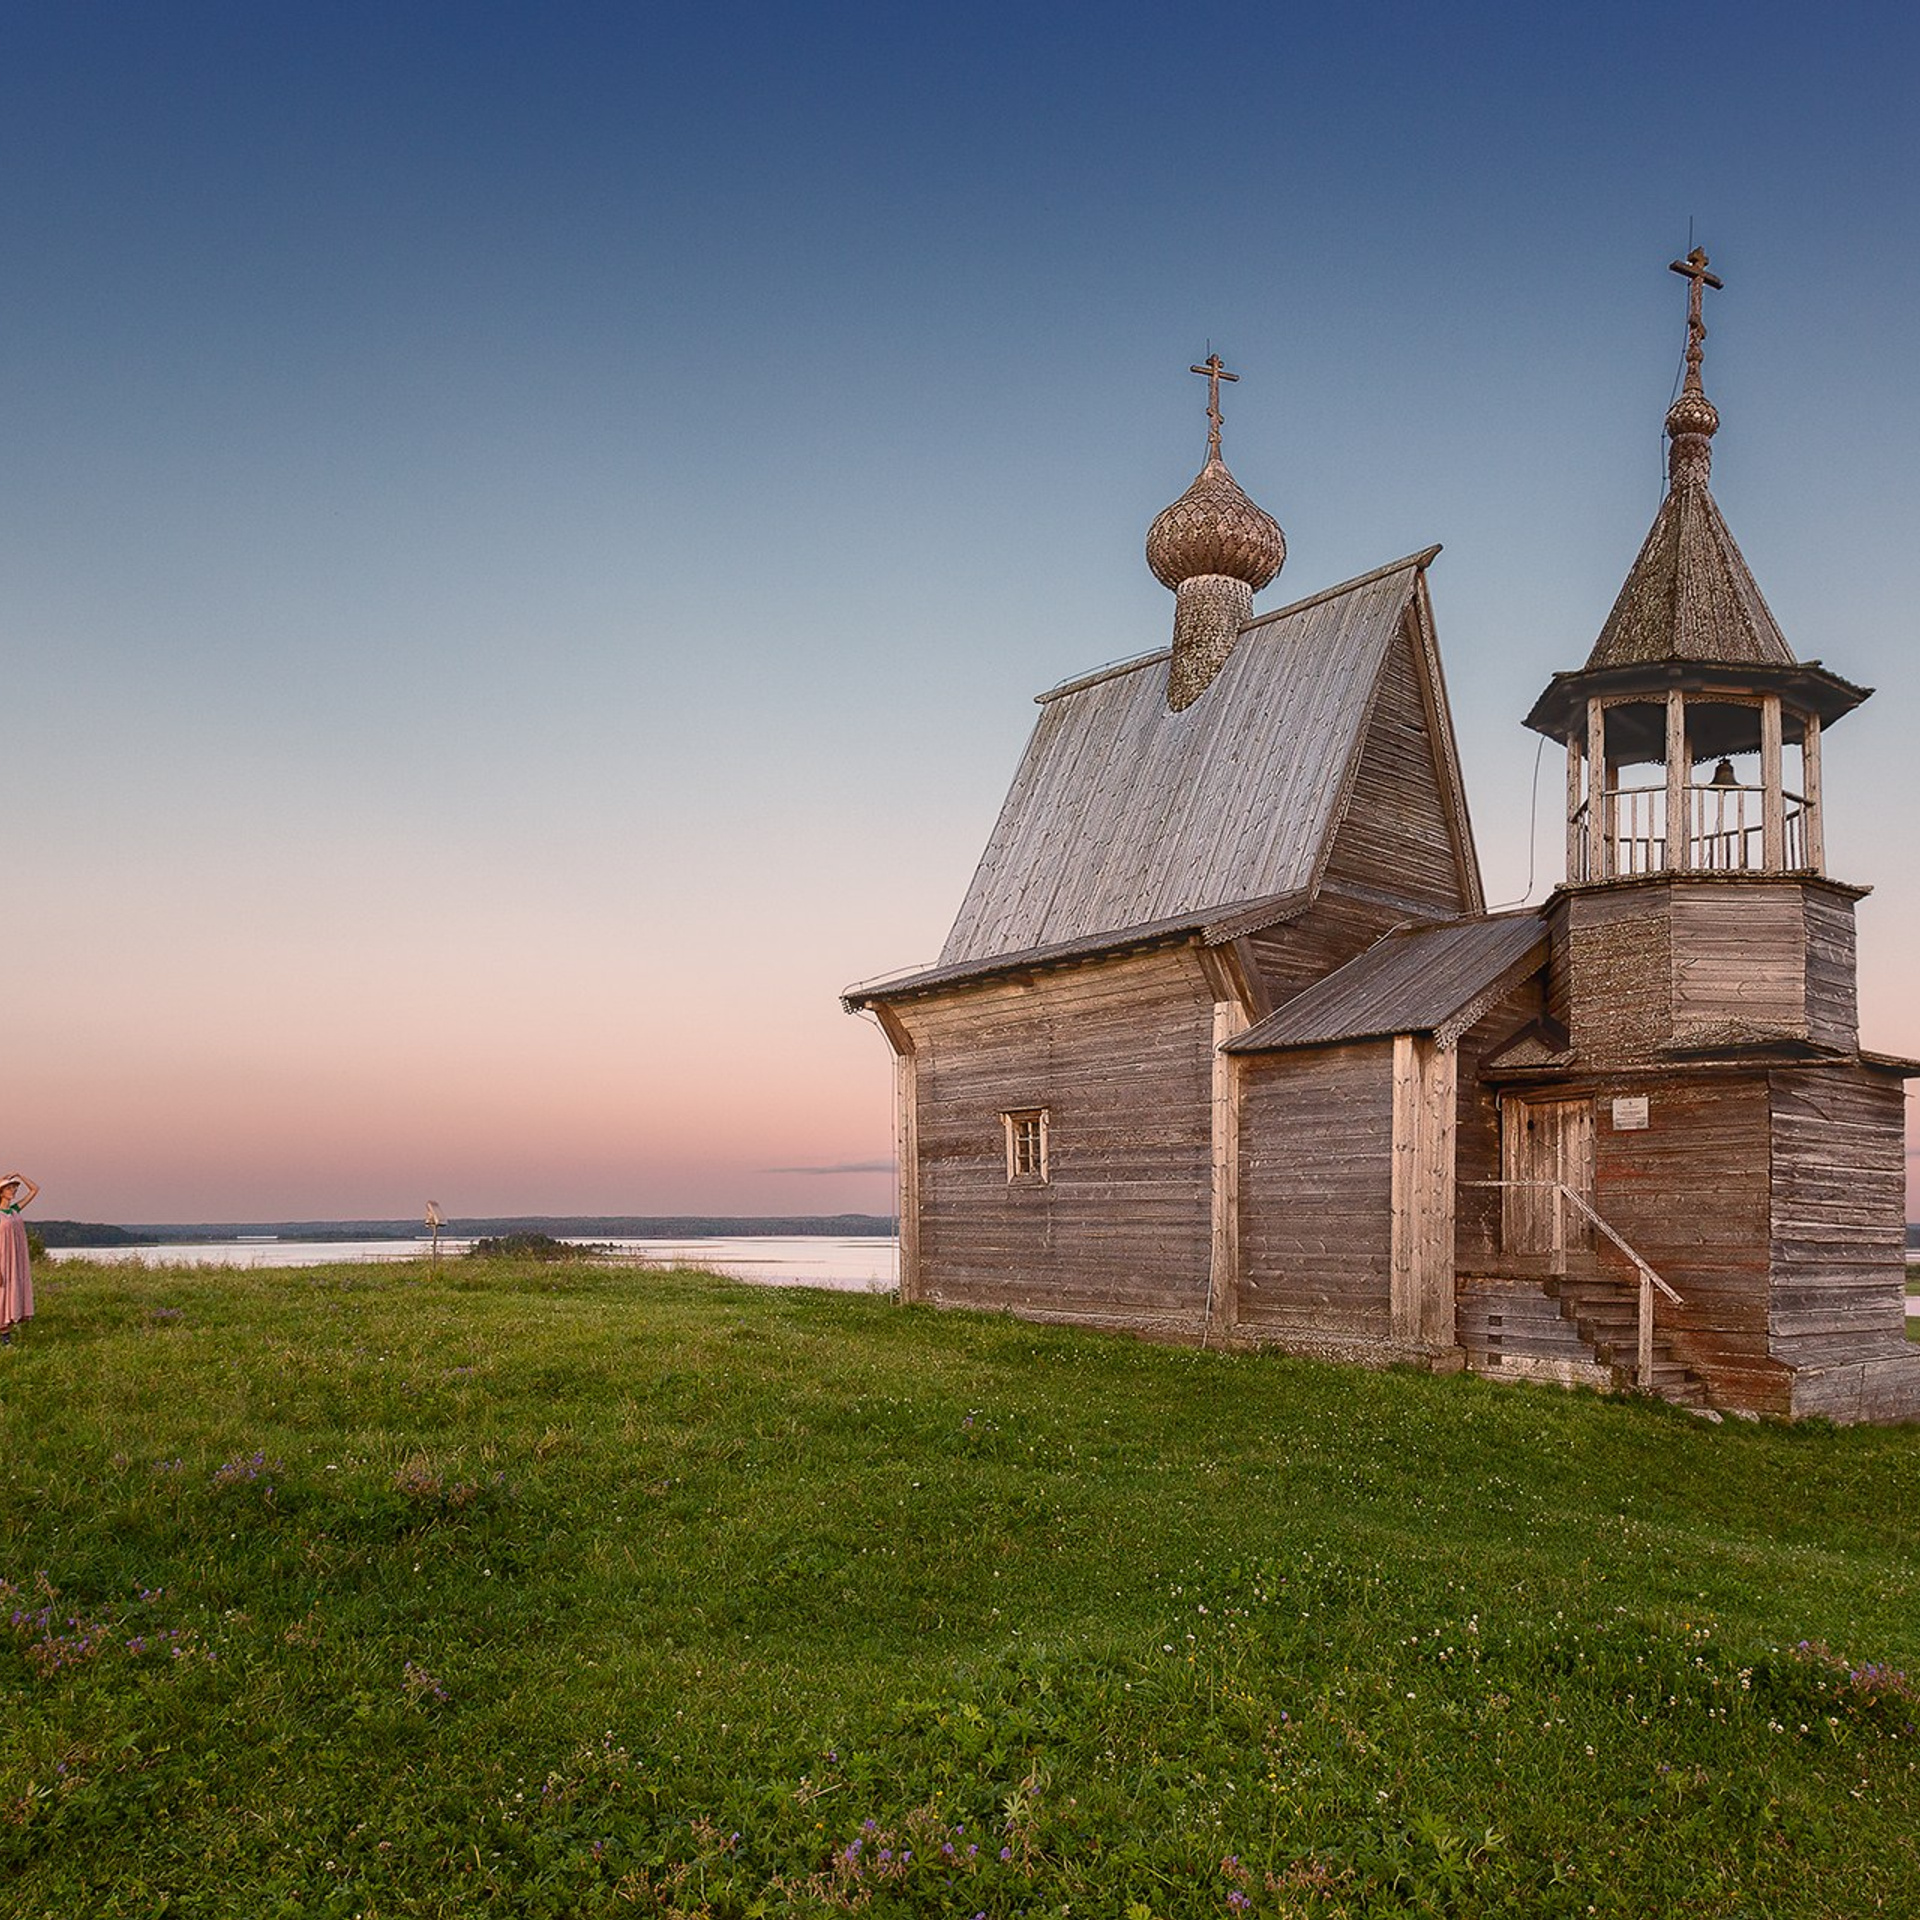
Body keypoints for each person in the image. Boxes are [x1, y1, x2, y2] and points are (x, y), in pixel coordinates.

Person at [0, 1173, 39, 1343]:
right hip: (2, 1259)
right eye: (9, 1188)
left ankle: (5, 1336)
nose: (14, 1190)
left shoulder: (14, 1210)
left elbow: (34, 1189)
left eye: (14, 1188)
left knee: (10, 1293)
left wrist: (20, 1176)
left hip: (15, 1259)